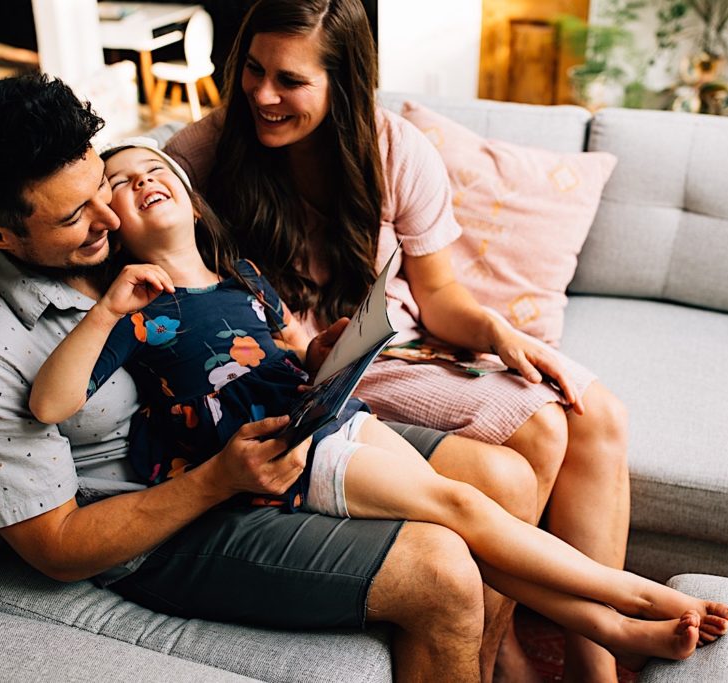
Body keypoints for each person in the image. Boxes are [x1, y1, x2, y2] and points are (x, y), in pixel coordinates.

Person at [0, 72, 557, 683]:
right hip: (161, 521)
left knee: (504, 476)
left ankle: (487, 662)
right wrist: (214, 482)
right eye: (76, 215)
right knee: (440, 570)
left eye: (98, 189)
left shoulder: (110, 242)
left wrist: (312, 358)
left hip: (247, 434)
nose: (108, 218)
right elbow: (56, 546)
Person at [29, 140, 728, 670]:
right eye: (120, 182)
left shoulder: (239, 275)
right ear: (109, 223)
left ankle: (609, 626)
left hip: (329, 415)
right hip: (284, 451)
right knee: (465, 513)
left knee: (475, 518)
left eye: (155, 169)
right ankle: (632, 600)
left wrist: (326, 351)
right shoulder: (135, 311)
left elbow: (288, 350)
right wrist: (107, 310)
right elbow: (50, 401)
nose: (144, 180)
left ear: (187, 195)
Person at [163, 0, 631, 678]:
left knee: (598, 414)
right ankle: (498, 647)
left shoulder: (395, 152)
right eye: (254, 70)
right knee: (542, 431)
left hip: (388, 348)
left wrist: (501, 333)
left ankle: (597, 665)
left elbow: (438, 296)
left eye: (289, 81)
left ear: (343, 79)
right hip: (303, 373)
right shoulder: (203, 155)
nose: (262, 94)